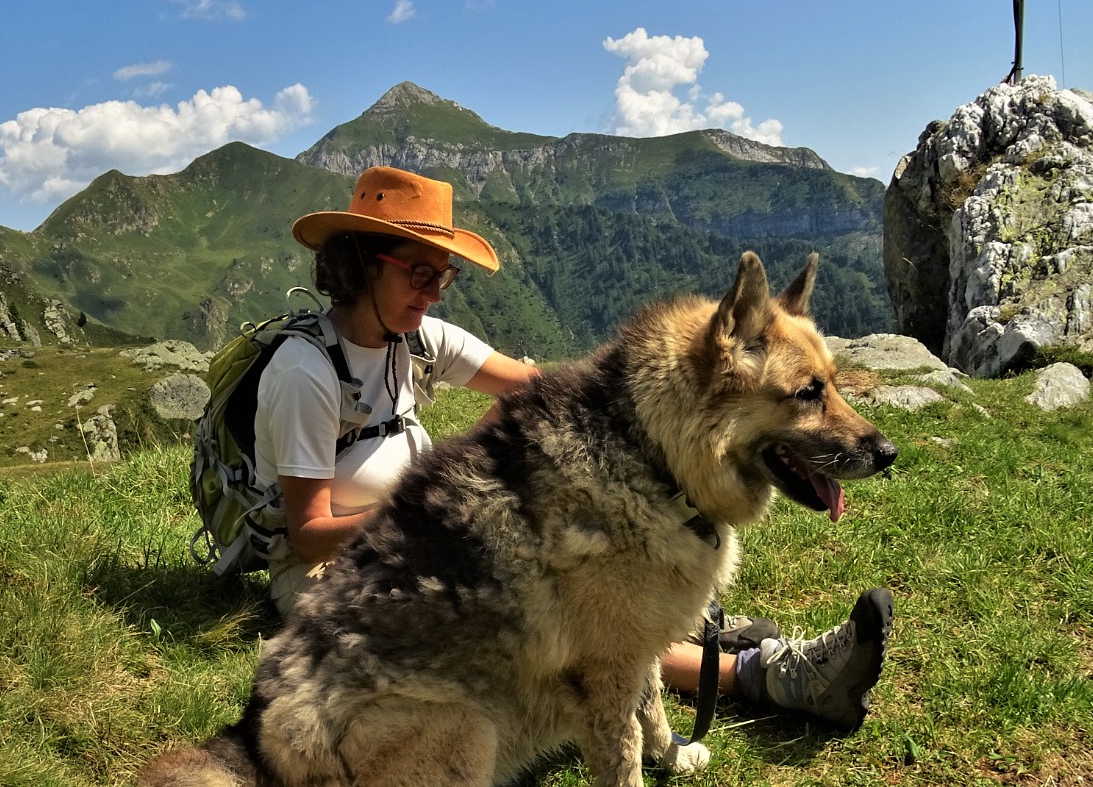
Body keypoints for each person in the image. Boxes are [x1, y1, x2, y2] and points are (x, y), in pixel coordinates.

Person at [255, 165, 892, 729]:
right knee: (600, 625)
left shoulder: (415, 338)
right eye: (419, 272)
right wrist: (428, 509)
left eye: (443, 275)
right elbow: (307, 531)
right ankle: (771, 676)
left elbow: (550, 386)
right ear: (364, 262)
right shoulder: (305, 374)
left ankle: (720, 636)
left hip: (432, 536)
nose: (434, 290)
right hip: (343, 571)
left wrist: (651, 393)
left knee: (620, 567)